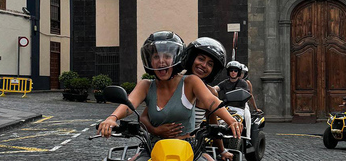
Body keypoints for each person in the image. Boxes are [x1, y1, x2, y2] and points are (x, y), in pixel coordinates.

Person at [97, 31, 242, 161]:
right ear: (149, 60)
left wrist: (231, 121)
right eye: (156, 56)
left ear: (176, 58)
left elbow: (211, 101)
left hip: (189, 148)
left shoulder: (191, 82)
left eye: (166, 56)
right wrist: (112, 118)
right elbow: (129, 104)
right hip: (153, 147)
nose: (161, 61)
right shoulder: (146, 85)